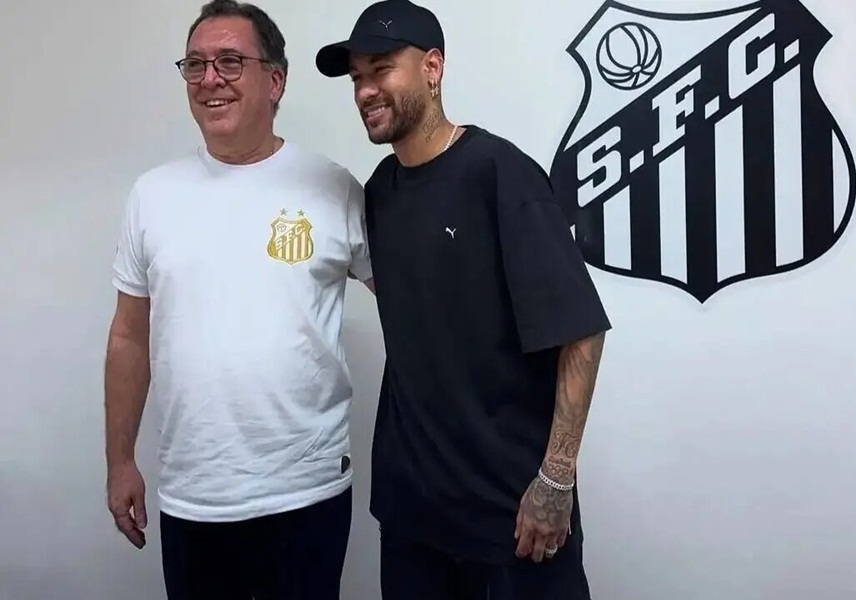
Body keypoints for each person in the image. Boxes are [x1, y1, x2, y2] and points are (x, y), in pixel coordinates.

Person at [315, 1, 612, 598]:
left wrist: (556, 480)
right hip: (412, 517)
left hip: (512, 519)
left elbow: (580, 331)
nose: (365, 91)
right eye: (357, 78)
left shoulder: (500, 173)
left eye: (381, 69)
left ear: (432, 67)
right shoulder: (379, 193)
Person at [104, 1, 373, 598]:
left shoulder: (332, 188)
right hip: (194, 497)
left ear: (275, 82)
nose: (210, 79)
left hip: (307, 492)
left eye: (230, 61)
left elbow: (415, 306)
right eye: (195, 64)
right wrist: (120, 460)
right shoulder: (152, 195)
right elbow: (128, 335)